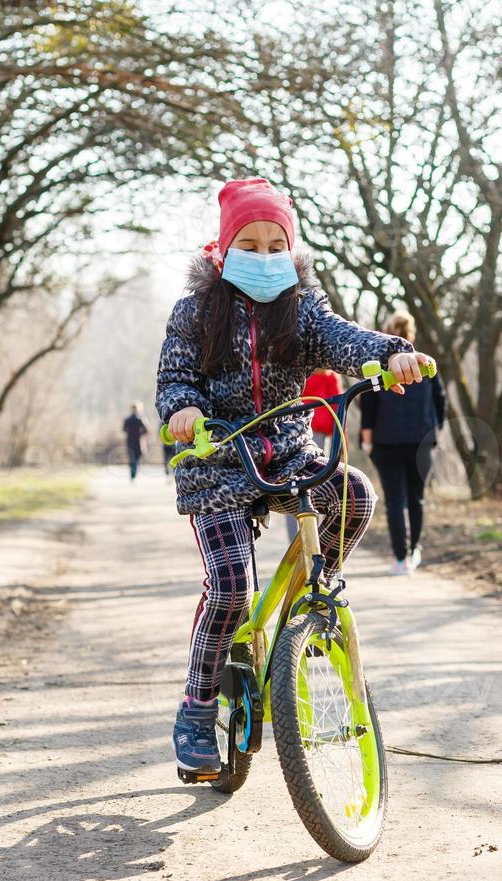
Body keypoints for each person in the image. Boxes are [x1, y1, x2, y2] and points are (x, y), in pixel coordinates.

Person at [157, 177, 435, 777]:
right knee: (230, 586)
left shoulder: (302, 307)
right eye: (248, 245)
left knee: (355, 495)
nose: (262, 256)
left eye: (273, 243)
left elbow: (342, 339)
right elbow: (174, 376)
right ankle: (198, 705)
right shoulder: (196, 312)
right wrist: (183, 409)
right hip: (218, 457)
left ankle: (312, 598)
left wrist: (391, 351)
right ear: (224, 250)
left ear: (292, 248)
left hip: (286, 445)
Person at [360, 310, 446, 575]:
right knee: (416, 499)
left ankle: (401, 559)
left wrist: (367, 440)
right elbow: (440, 401)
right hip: (421, 442)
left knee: (395, 501)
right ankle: (414, 549)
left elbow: (368, 404)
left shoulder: (380, 365)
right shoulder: (426, 365)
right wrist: (435, 431)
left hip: (386, 442)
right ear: (412, 333)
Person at [284, 368, 344, 539]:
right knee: (314, 486)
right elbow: (337, 408)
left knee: (292, 487)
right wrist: (341, 441)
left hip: (291, 430)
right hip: (316, 433)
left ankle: (296, 539)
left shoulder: (298, 370)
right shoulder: (329, 375)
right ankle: (312, 539)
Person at [122, 403, 148, 481]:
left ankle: (133, 474)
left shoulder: (127, 419)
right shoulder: (141, 419)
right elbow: (146, 430)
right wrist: (140, 433)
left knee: (132, 458)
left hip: (130, 441)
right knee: (136, 458)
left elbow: (123, 429)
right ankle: (134, 473)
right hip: (138, 441)